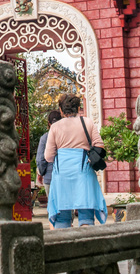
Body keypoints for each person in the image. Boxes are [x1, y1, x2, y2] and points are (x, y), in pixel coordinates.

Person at [45, 93, 107, 228]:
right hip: (83, 172)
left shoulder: (55, 127)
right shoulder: (87, 122)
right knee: (86, 217)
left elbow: (48, 156)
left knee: (62, 219)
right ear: (78, 108)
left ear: (61, 110)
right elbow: (99, 145)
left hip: (62, 175)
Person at [36, 110, 62, 196]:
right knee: (66, 206)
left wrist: (41, 173)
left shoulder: (45, 138)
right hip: (66, 176)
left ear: (49, 123)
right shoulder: (66, 136)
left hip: (49, 176)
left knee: (52, 207)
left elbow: (40, 160)